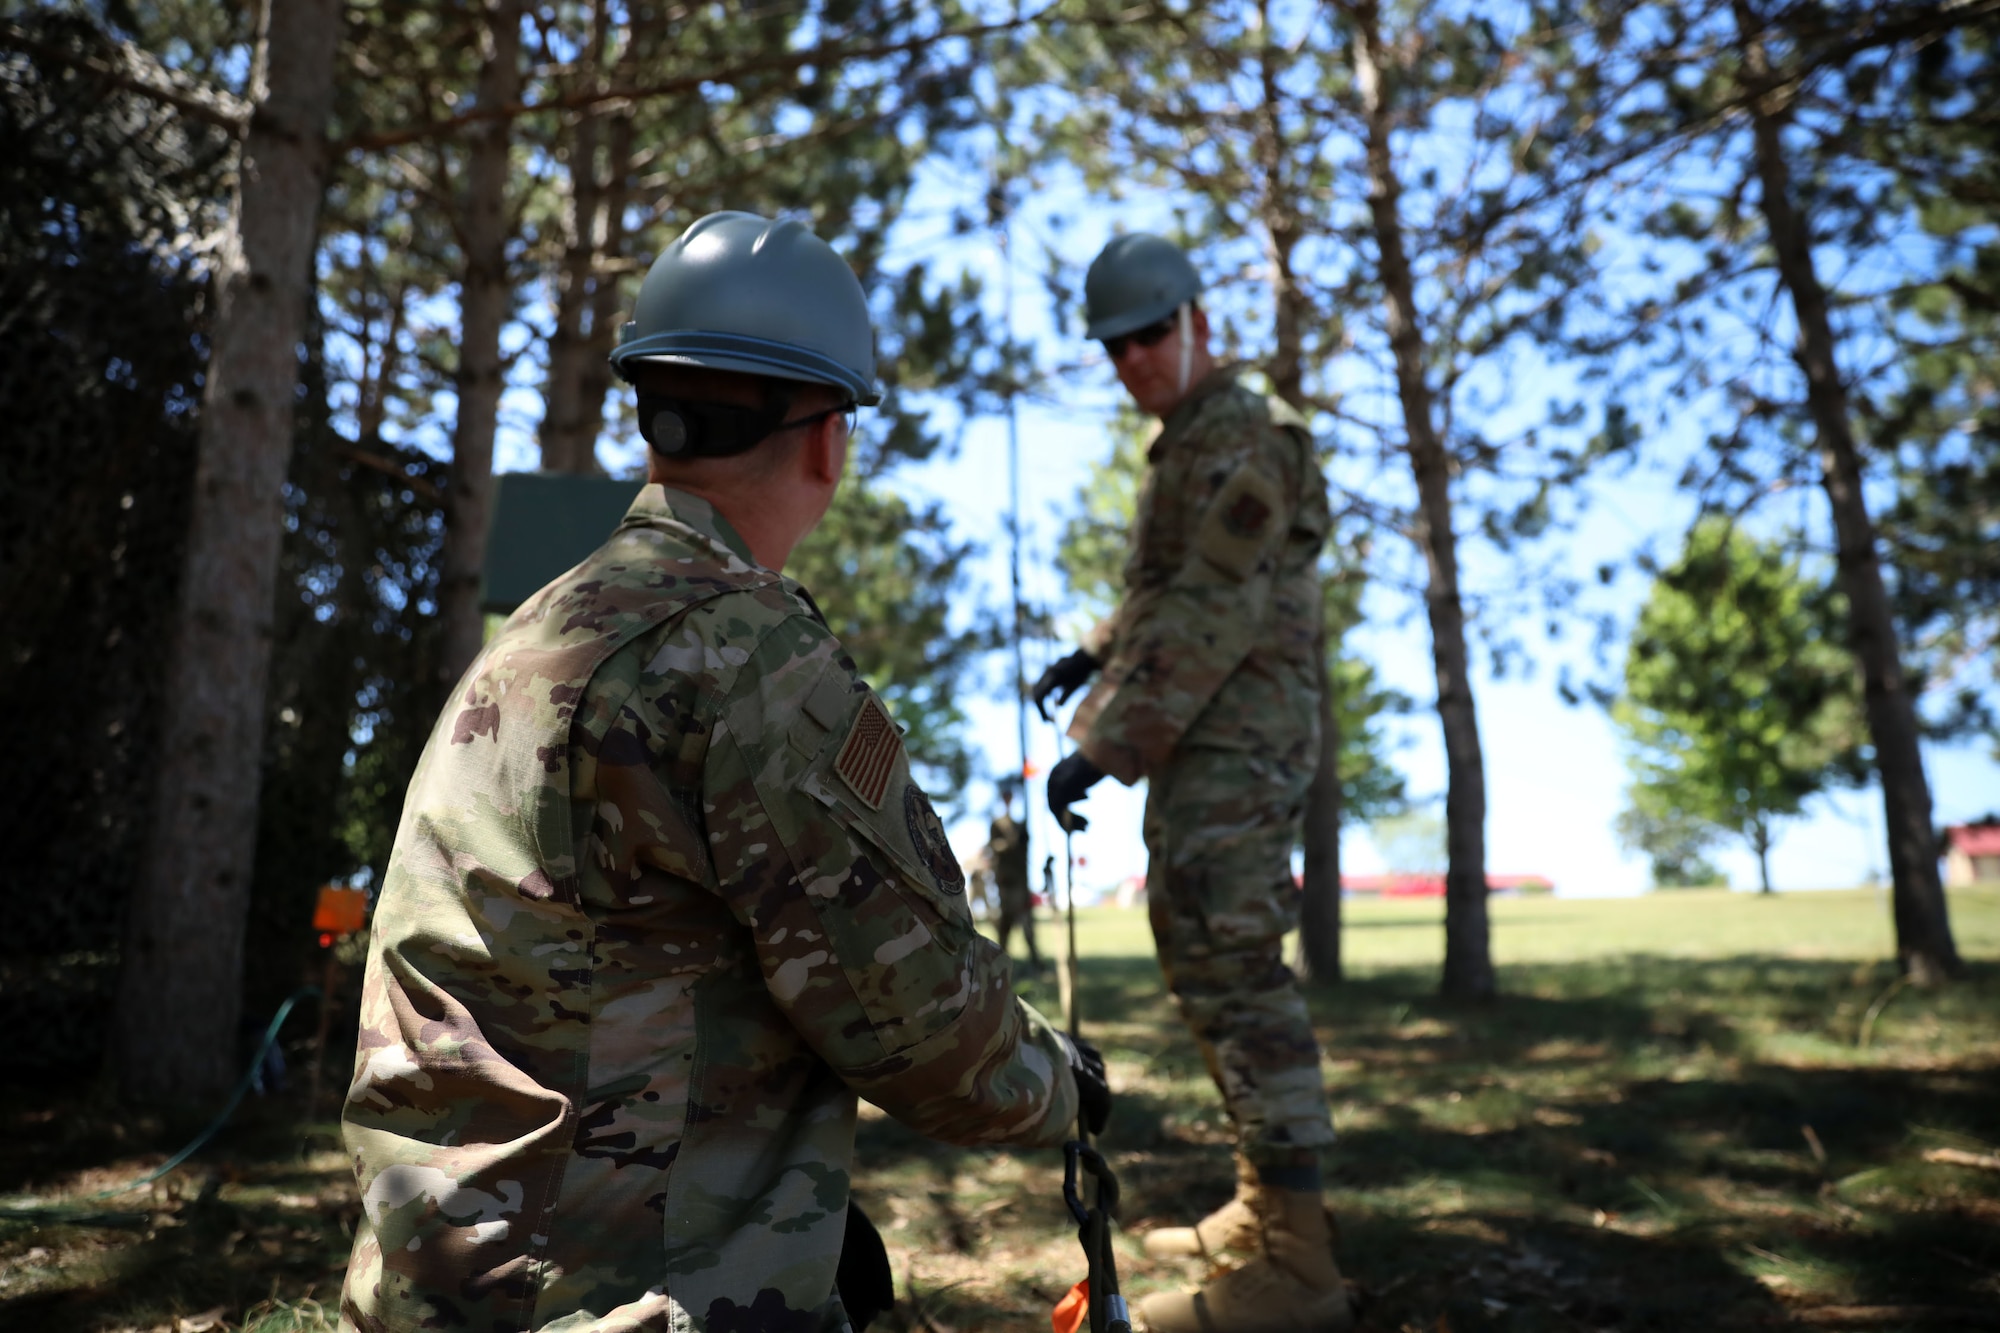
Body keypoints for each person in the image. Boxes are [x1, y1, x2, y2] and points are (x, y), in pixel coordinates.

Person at [338, 211, 1108, 1333]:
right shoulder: (749, 655)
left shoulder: (536, 631)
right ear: (825, 439)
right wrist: (1064, 1083)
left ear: (655, 415)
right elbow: (922, 1023)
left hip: (435, 1289)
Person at [1034, 233, 1352, 1333]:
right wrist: (1097, 650)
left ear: (1196, 323)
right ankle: (1266, 1209)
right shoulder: (1187, 447)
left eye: (1148, 336)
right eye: (1114, 348)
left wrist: (1102, 741)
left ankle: (1298, 1267)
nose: (1132, 361)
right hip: (1201, 738)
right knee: (1199, 946)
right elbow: (1171, 591)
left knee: (1232, 962)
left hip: (1238, 735)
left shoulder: (1239, 441)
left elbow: (1215, 605)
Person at [988, 776, 1043, 971]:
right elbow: (995, 847)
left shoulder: (1020, 824)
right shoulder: (997, 824)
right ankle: (1000, 962)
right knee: (1006, 924)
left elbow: (1025, 850)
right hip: (1006, 882)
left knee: (1027, 924)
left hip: (1021, 881)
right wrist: (1010, 844)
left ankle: (1036, 961)